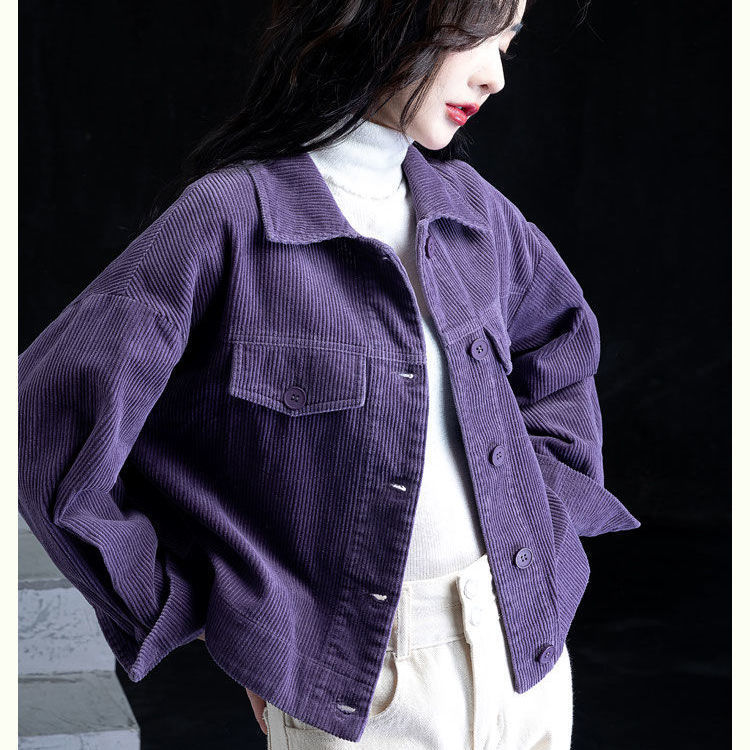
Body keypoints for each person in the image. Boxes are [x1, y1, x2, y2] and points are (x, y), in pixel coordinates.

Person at [18, 0, 641, 747]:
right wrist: (226, 614)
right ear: (386, 18)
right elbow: (47, 418)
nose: (495, 76)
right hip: (360, 688)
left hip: (527, 656)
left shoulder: (478, 214)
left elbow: (560, 347)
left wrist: (544, 516)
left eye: (508, 45)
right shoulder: (231, 218)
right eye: (476, 37)